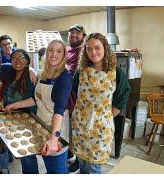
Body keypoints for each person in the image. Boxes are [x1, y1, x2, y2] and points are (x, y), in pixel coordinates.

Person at [4, 40, 72, 174]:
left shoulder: (64, 76)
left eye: (59, 51)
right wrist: (14, 105)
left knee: (57, 171)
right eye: (51, 50)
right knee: (49, 166)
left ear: (64, 55)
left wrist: (53, 139)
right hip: (42, 127)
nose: (54, 54)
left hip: (56, 131)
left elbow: (60, 110)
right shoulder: (42, 73)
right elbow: (36, 99)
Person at [70, 33, 130, 174]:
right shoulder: (81, 72)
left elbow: (121, 100)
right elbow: (74, 92)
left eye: (97, 48)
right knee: (82, 162)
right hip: (79, 124)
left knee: (93, 167)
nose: (93, 52)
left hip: (100, 128)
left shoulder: (117, 74)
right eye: (89, 49)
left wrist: (105, 117)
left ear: (105, 48)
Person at [66, 24, 86, 173]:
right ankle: (69, 155)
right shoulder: (66, 50)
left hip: (77, 101)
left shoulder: (85, 52)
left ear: (83, 36)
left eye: (77, 33)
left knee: (78, 134)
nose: (74, 35)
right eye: (72, 33)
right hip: (64, 99)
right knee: (67, 131)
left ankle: (79, 162)